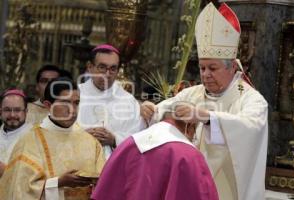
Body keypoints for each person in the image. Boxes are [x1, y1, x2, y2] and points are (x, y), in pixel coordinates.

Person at [141, 3, 268, 200]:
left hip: (227, 190)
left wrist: (206, 116)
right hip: (188, 185)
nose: (206, 75)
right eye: (202, 68)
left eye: (213, 68)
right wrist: (150, 111)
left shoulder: (252, 100)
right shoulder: (193, 93)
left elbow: (251, 128)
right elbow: (164, 110)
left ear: (232, 66)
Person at [0, 77, 105, 199]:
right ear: (48, 105)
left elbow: (105, 184)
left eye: (76, 103)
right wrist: (58, 183)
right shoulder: (30, 142)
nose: (72, 110)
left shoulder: (91, 143)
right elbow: (19, 190)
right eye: (65, 103)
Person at [91, 102, 219, 200]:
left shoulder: (129, 143)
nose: (193, 138)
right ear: (189, 126)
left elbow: (106, 190)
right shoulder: (189, 155)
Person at [78, 44, 145, 159]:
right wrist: (82, 136)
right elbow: (59, 132)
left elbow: (139, 138)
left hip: (114, 167)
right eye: (102, 67)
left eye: (113, 69)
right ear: (90, 67)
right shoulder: (75, 95)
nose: (107, 74)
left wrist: (114, 140)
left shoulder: (128, 101)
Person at [0, 89, 32, 176]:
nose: (12, 115)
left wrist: (5, 171)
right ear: (0, 111)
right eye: (7, 110)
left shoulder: (35, 136)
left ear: (25, 112)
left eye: (17, 110)